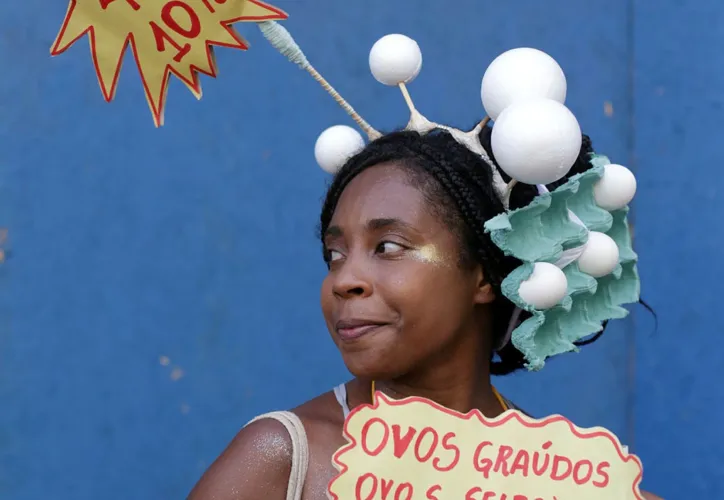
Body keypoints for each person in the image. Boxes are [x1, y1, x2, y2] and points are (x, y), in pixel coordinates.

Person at [188, 126, 662, 499]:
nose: (343, 280)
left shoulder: (559, 477)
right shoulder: (287, 459)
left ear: (484, 274)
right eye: (335, 254)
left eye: (387, 246)